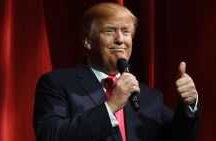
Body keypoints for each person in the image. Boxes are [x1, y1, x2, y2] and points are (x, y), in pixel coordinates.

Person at [33, 2, 200, 141]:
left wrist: (189, 104)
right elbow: (50, 135)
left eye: (126, 32)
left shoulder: (150, 97)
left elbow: (178, 137)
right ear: (87, 41)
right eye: (110, 31)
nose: (120, 39)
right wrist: (111, 106)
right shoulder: (57, 84)